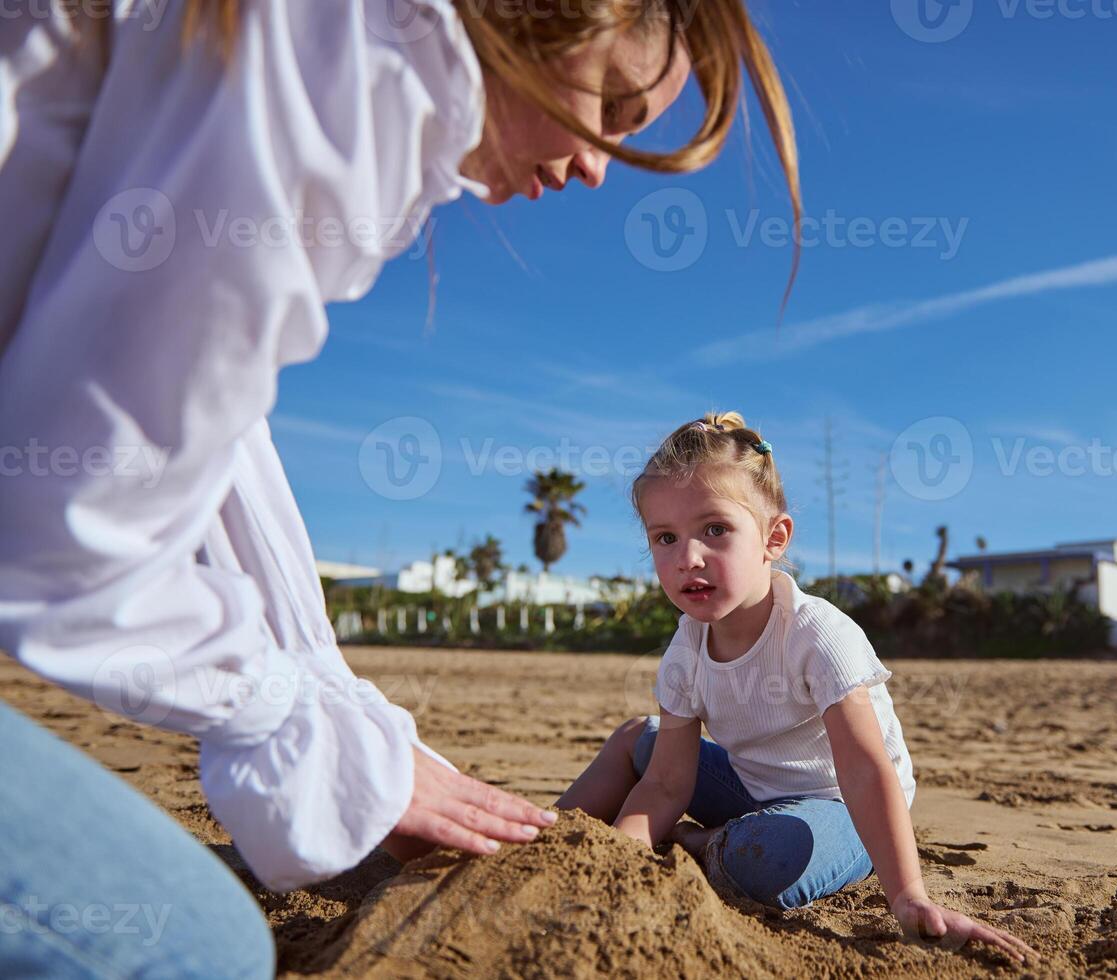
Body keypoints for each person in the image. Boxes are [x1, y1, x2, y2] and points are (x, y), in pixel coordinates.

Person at [0, 1, 798, 974]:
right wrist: (321, 746)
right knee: (196, 949)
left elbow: (206, 453)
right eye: (615, 103)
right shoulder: (335, 81)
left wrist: (350, 739)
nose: (599, 164)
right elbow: (64, 536)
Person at [557, 412, 1038, 966]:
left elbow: (863, 770)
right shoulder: (685, 651)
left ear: (774, 538)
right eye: (665, 537)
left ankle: (701, 843)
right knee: (637, 740)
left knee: (767, 856)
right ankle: (542, 838)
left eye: (715, 529)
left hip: (842, 805)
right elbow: (666, 783)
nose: (688, 556)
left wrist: (908, 897)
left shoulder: (816, 633)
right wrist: (618, 857)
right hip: (751, 788)